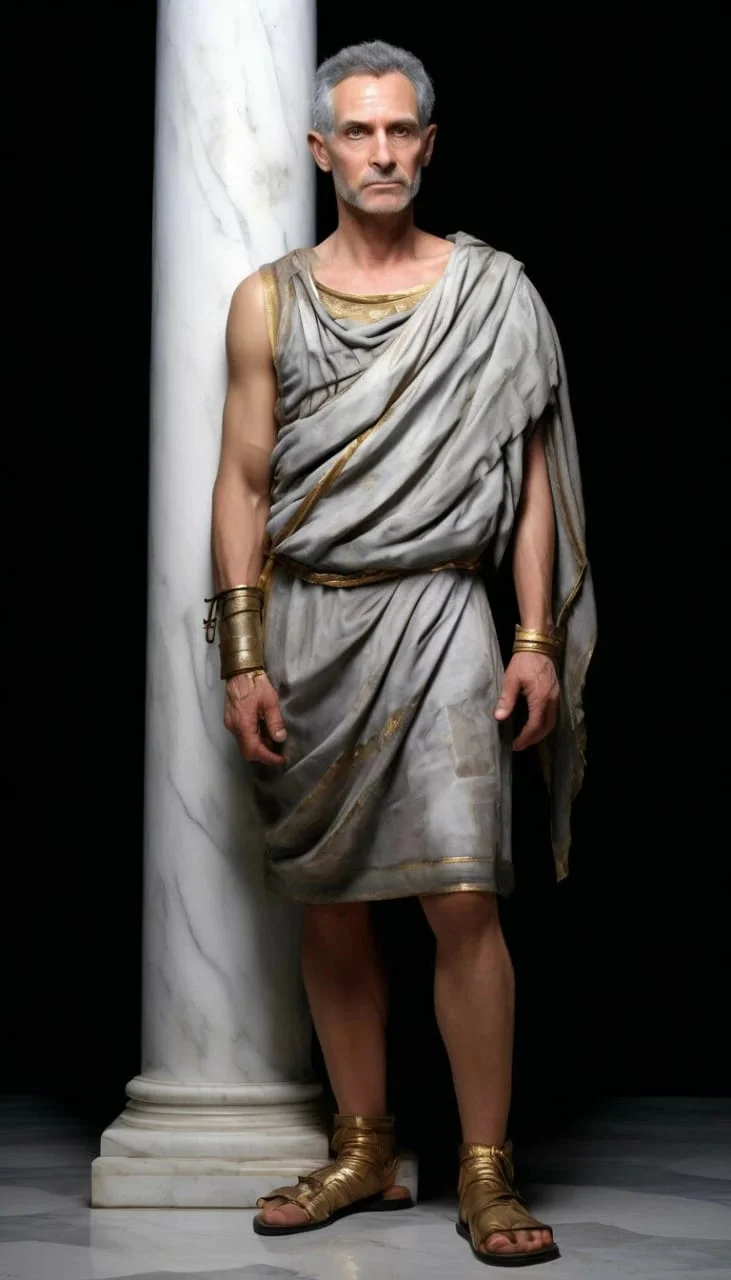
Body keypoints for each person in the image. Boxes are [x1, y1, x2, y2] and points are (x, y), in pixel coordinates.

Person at [206, 39, 596, 1268]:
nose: (379, 152)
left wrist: (533, 637)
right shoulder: (268, 299)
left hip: (441, 613)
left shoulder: (491, 294)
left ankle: (484, 1165)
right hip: (311, 621)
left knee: (460, 895)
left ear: (425, 145)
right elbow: (243, 481)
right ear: (320, 149)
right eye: (356, 132)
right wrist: (241, 653)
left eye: (398, 131)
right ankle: (364, 1146)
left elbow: (528, 484)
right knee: (329, 904)